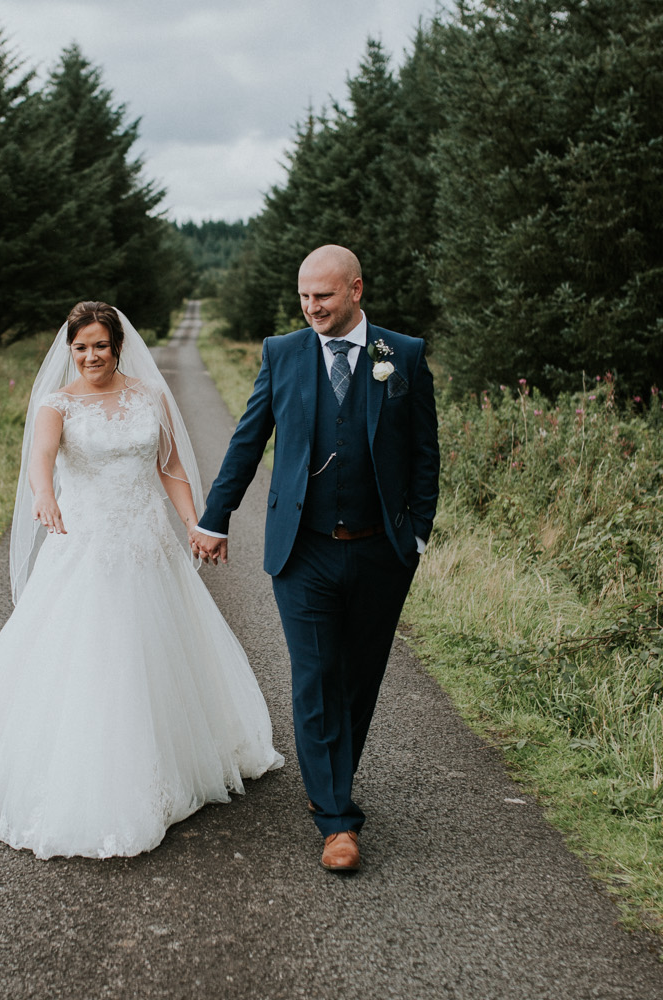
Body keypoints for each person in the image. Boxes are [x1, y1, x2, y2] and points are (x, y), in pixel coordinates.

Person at [0, 301, 283, 860]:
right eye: (80, 347)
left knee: (158, 648)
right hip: (86, 543)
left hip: (146, 540)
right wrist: (43, 495)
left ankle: (170, 759)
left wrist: (193, 522)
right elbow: (42, 459)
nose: (90, 356)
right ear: (69, 349)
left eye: (100, 346)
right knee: (89, 651)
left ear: (118, 346)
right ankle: (87, 774)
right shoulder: (56, 403)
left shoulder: (149, 396)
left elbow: (170, 466)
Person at [190, 246, 440, 874]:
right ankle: (337, 821)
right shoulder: (284, 353)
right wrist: (214, 518)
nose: (311, 308)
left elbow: (424, 453)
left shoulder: (399, 355)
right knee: (315, 675)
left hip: (382, 550)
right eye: (304, 296)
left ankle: (327, 775)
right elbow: (249, 440)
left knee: (360, 678)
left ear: (356, 289)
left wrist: (417, 537)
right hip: (302, 550)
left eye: (323, 296)